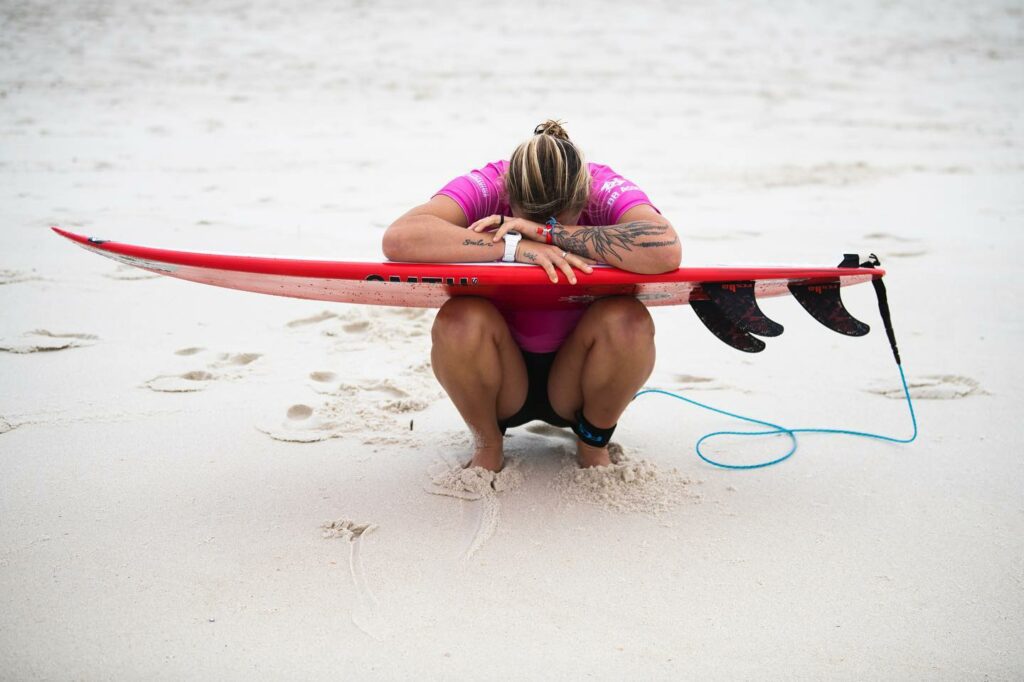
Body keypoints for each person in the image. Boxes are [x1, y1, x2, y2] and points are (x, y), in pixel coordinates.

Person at [383, 120, 680, 472]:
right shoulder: (491, 183)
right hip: (500, 374)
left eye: (558, 217)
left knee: (629, 320)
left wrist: (544, 231)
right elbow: (400, 238)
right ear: (507, 195)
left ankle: (592, 444)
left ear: (584, 196)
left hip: (581, 377)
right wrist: (513, 246)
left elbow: (666, 249)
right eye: (532, 216)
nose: (546, 227)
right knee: (458, 319)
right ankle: (488, 445)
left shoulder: (601, 186)